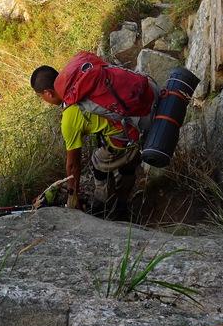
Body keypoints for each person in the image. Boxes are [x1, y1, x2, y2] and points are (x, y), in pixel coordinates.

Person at [30, 64, 144, 215]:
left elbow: (73, 166)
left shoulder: (69, 118)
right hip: (137, 118)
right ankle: (122, 200)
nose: (43, 100)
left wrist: (73, 196)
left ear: (48, 93)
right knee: (124, 167)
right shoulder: (78, 79)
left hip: (126, 137)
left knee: (99, 162)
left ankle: (103, 208)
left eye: (41, 97)